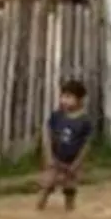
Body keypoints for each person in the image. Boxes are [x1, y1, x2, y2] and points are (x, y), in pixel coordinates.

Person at [38, 79, 94, 211]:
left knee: (70, 188)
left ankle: (70, 210)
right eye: (62, 96)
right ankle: (39, 207)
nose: (64, 100)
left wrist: (77, 163)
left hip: (72, 161)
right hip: (55, 159)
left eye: (68, 97)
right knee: (48, 184)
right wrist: (49, 156)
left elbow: (86, 144)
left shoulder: (85, 121)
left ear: (80, 100)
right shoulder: (57, 116)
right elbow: (47, 135)